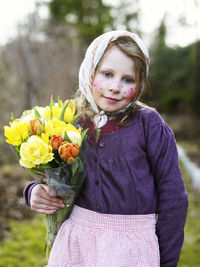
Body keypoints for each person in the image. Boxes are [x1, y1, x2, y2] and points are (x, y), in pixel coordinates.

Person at [24, 30, 188, 267]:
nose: (115, 87)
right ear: (90, 72)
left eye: (128, 79)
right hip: (78, 243)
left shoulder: (149, 124)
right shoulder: (71, 121)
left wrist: (168, 260)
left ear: (140, 83)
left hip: (131, 248)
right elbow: (51, 177)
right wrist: (33, 191)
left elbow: (173, 197)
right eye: (107, 74)